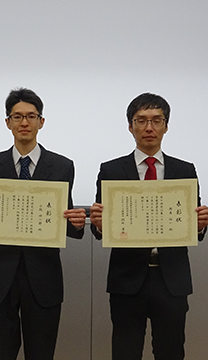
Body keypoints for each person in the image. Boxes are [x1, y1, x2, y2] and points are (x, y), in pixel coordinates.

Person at [0, 88, 86, 360]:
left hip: (44, 276)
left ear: (41, 121)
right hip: (0, 276)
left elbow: (63, 218)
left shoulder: (62, 166)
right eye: (17, 117)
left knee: (41, 354)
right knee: (0, 353)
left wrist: (76, 223)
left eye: (31, 116)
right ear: (8, 122)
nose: (24, 123)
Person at [90, 92, 208, 360]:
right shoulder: (111, 170)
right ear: (130, 126)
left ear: (166, 126)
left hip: (171, 279)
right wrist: (97, 224)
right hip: (127, 278)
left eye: (156, 120)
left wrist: (200, 224)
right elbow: (100, 228)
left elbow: (194, 226)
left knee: (171, 351)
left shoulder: (185, 170)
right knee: (125, 351)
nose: (149, 127)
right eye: (141, 121)